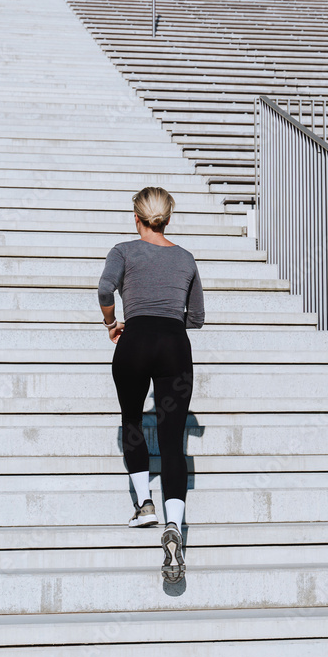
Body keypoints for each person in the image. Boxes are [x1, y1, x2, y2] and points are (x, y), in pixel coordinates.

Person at [98, 186, 205, 583]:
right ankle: (174, 525)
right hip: (175, 344)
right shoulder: (185, 258)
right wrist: (172, 320)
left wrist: (113, 323)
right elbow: (197, 317)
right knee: (173, 439)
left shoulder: (123, 251)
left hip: (135, 339)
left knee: (131, 419)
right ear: (168, 218)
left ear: (137, 218)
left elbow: (104, 289)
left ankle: (144, 504)